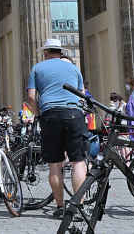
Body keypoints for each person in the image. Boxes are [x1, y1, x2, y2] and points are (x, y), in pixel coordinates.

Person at [27, 38, 87, 218]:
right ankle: (78, 206)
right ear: (60, 52)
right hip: (74, 114)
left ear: (45, 53)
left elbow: (31, 97)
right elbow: (82, 95)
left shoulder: (37, 68)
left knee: (55, 164)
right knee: (78, 162)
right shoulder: (73, 68)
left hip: (50, 115)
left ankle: (60, 206)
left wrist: (38, 113)